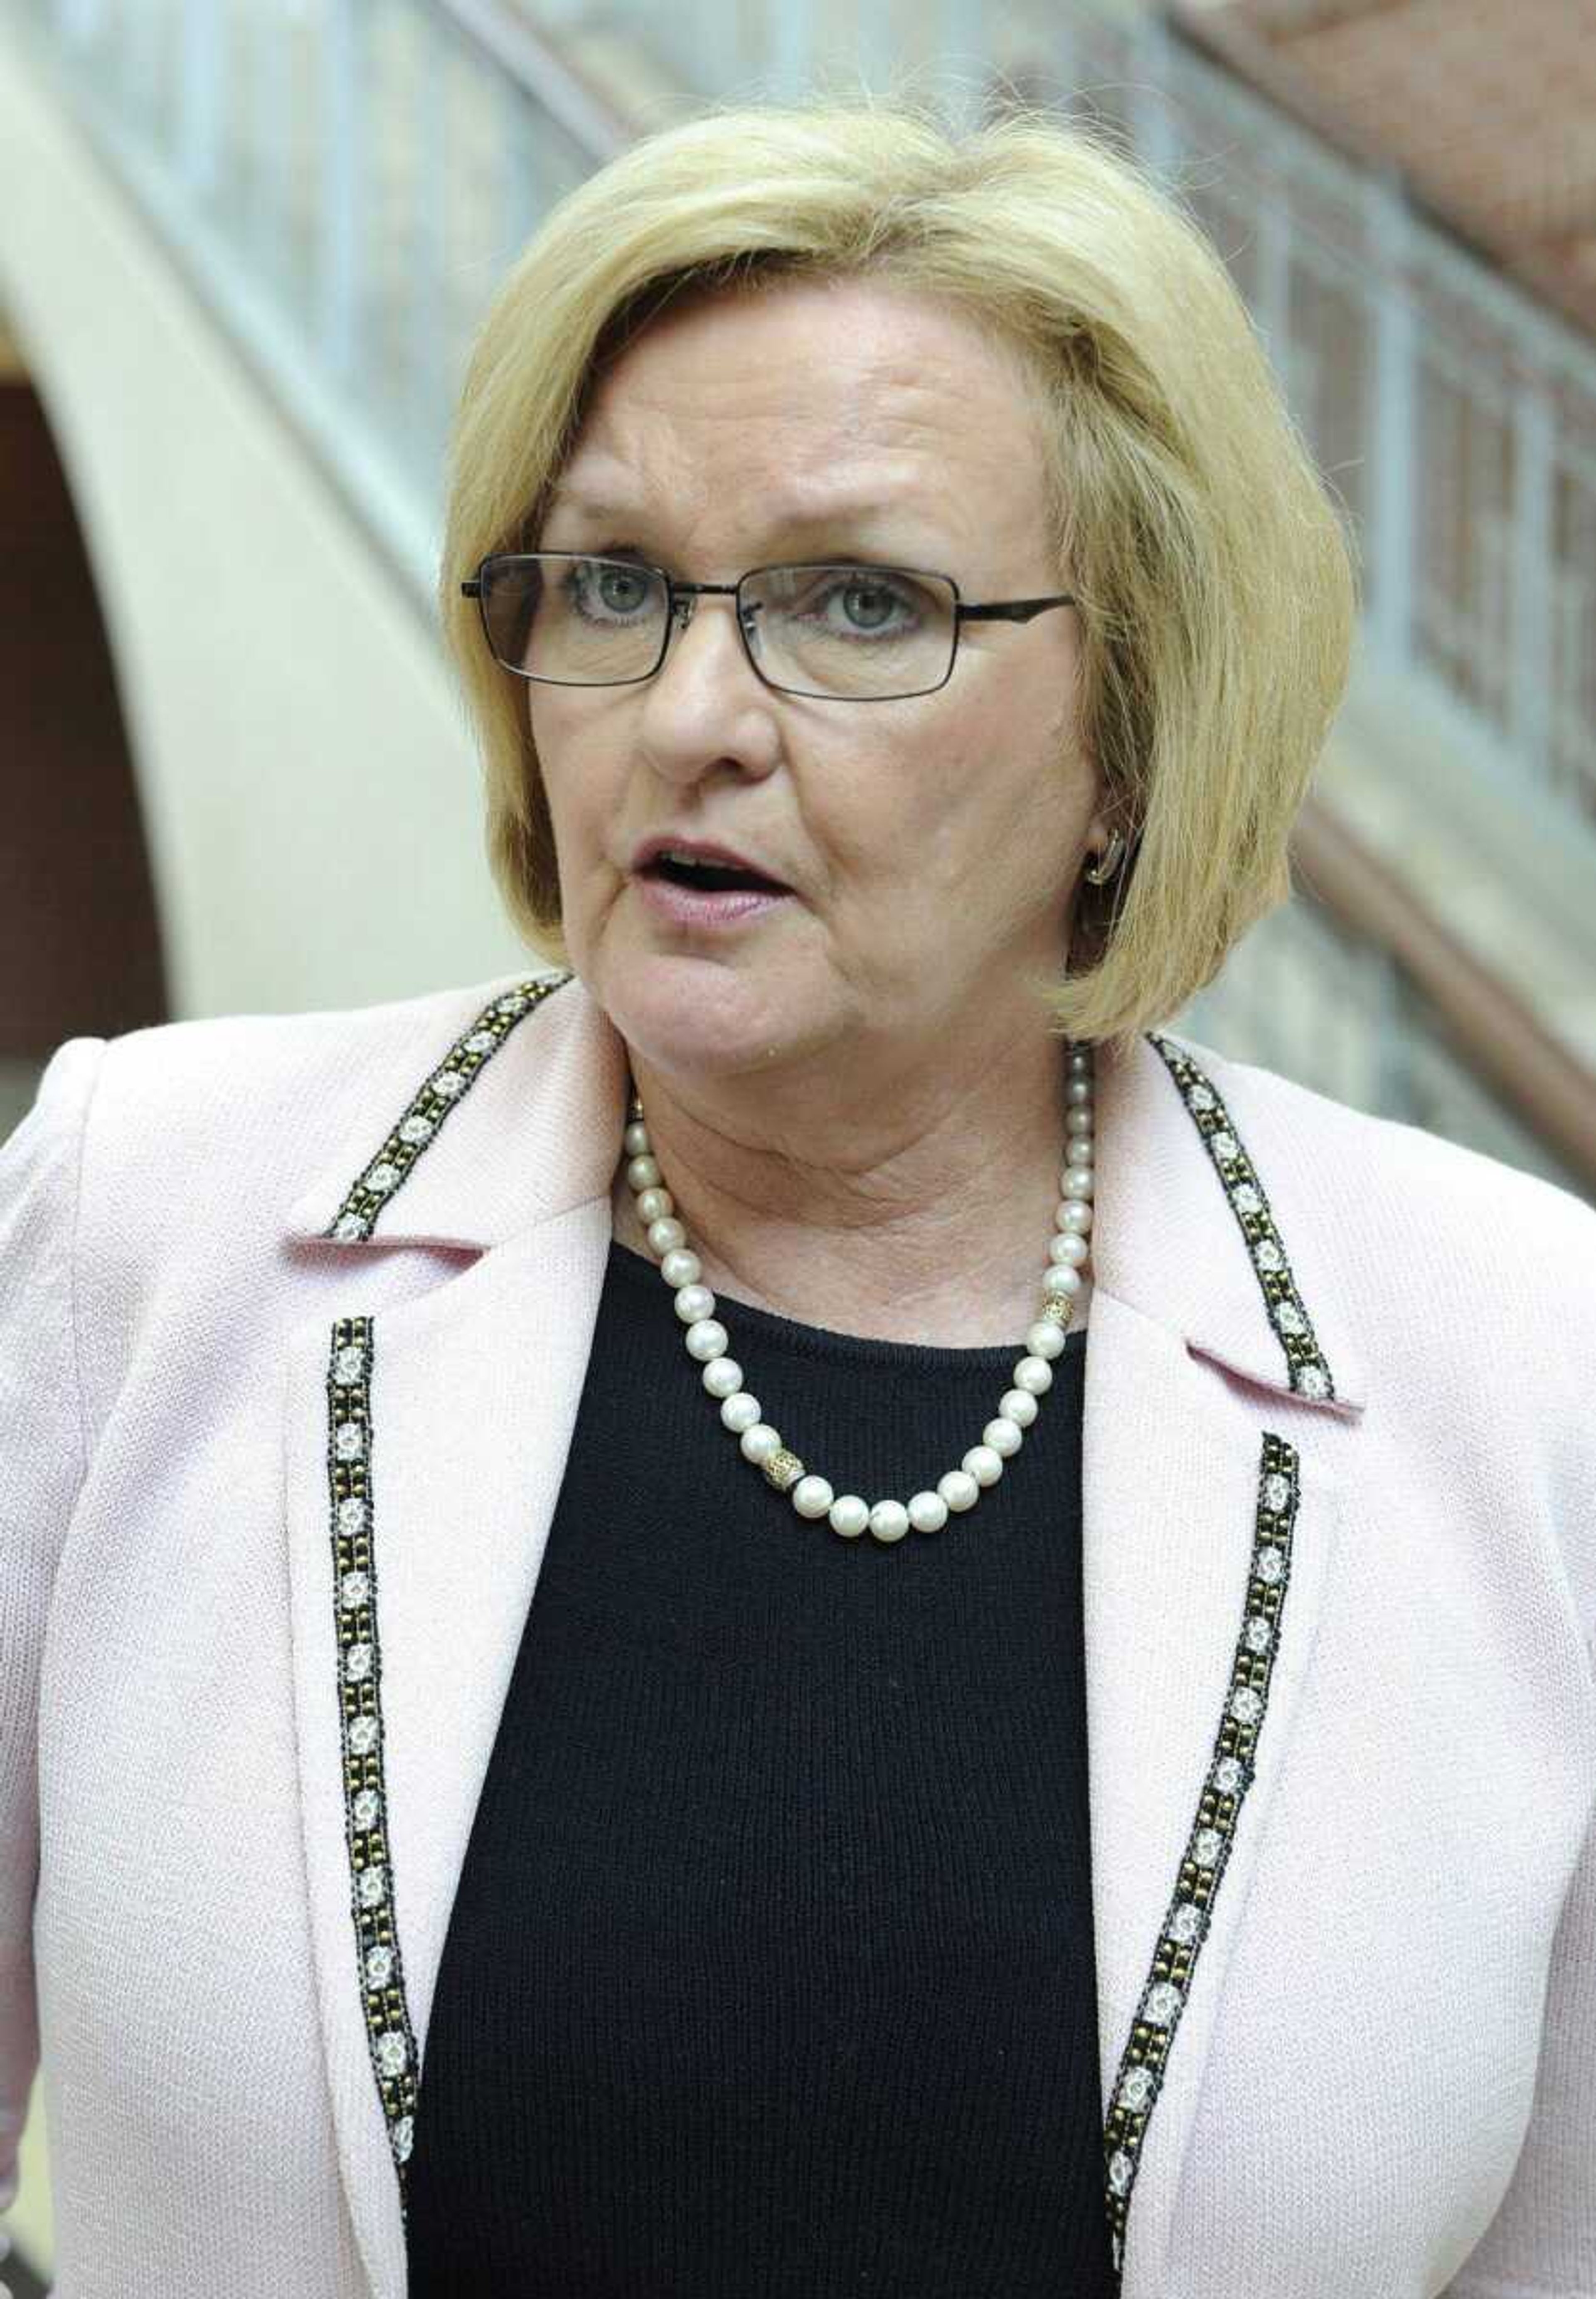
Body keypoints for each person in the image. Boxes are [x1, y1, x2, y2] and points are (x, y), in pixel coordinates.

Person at [2, 95, 1593, 2299]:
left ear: (1133, 728)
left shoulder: (1515, 1364)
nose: (687, 718)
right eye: (622, 582)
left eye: (859, 603)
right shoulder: (144, 1225)